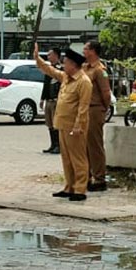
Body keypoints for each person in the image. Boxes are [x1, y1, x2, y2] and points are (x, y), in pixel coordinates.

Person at [34, 43, 92, 201]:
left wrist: (79, 126)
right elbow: (50, 70)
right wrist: (38, 59)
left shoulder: (84, 82)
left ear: (73, 64)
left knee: (78, 158)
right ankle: (69, 186)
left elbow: (83, 107)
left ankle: (80, 189)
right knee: (66, 158)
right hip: (63, 125)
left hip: (75, 127)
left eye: (65, 62)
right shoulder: (66, 77)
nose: (63, 65)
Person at [82, 40, 113, 191]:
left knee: (95, 145)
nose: (83, 51)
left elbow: (106, 93)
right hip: (84, 109)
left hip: (95, 109)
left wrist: (103, 109)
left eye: (86, 48)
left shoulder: (100, 70)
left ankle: (99, 178)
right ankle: (85, 176)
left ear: (93, 51)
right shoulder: (84, 67)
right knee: (84, 145)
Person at [40, 47, 62, 154]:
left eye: (50, 55)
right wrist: (42, 99)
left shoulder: (61, 69)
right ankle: (53, 145)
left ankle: (58, 145)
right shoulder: (49, 69)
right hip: (49, 100)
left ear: (56, 55)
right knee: (49, 123)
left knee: (56, 124)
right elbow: (46, 85)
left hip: (56, 100)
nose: (48, 57)